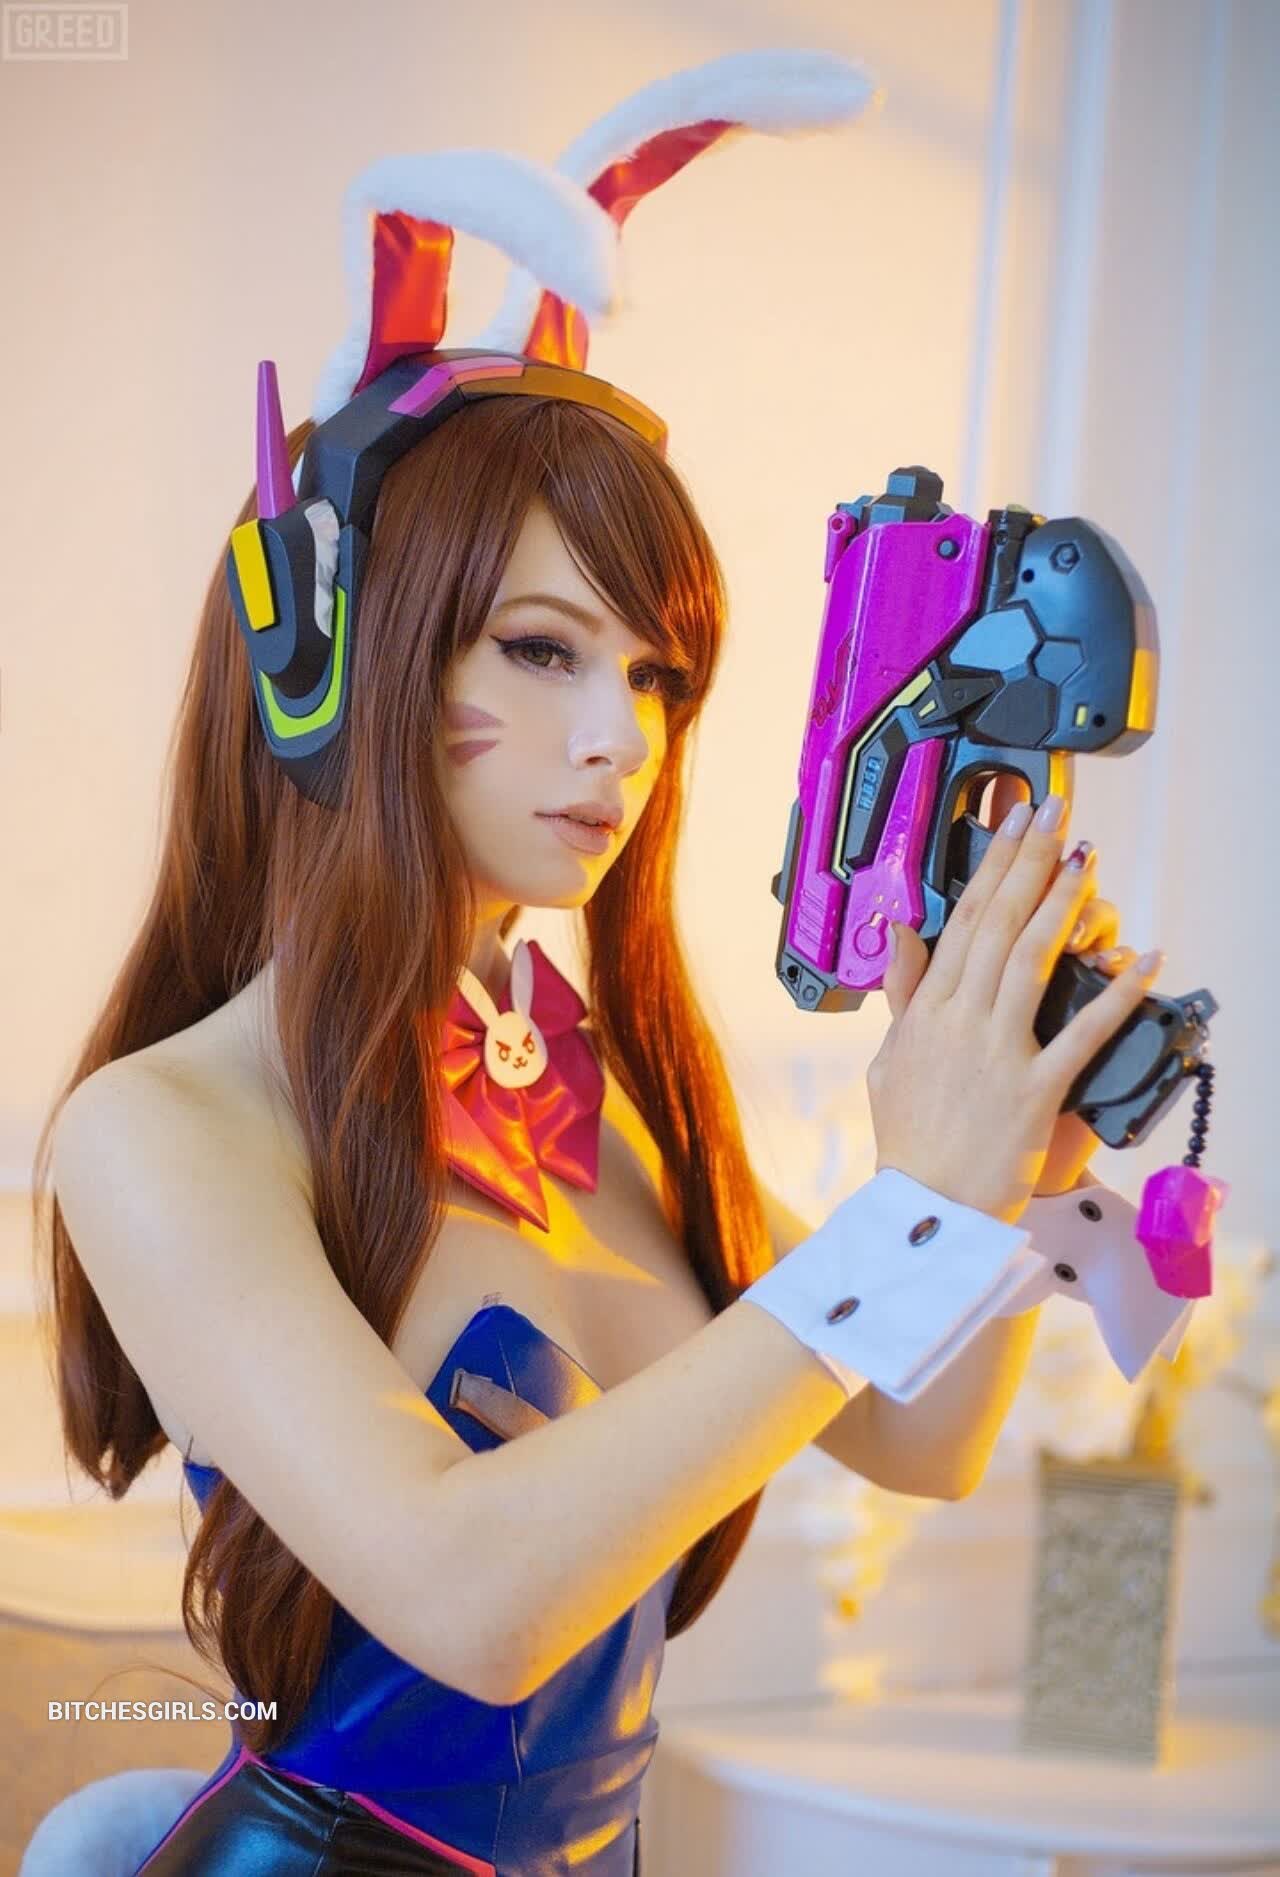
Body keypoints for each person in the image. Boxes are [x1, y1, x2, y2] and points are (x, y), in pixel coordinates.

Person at [28, 48, 1174, 1877]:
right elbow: (469, 1593)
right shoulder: (160, 1130)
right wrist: (902, 1209)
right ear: (333, 658)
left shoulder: (592, 1090)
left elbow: (923, 1436)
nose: (618, 741)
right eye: (543, 651)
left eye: (652, 676)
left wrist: (1015, 1141)